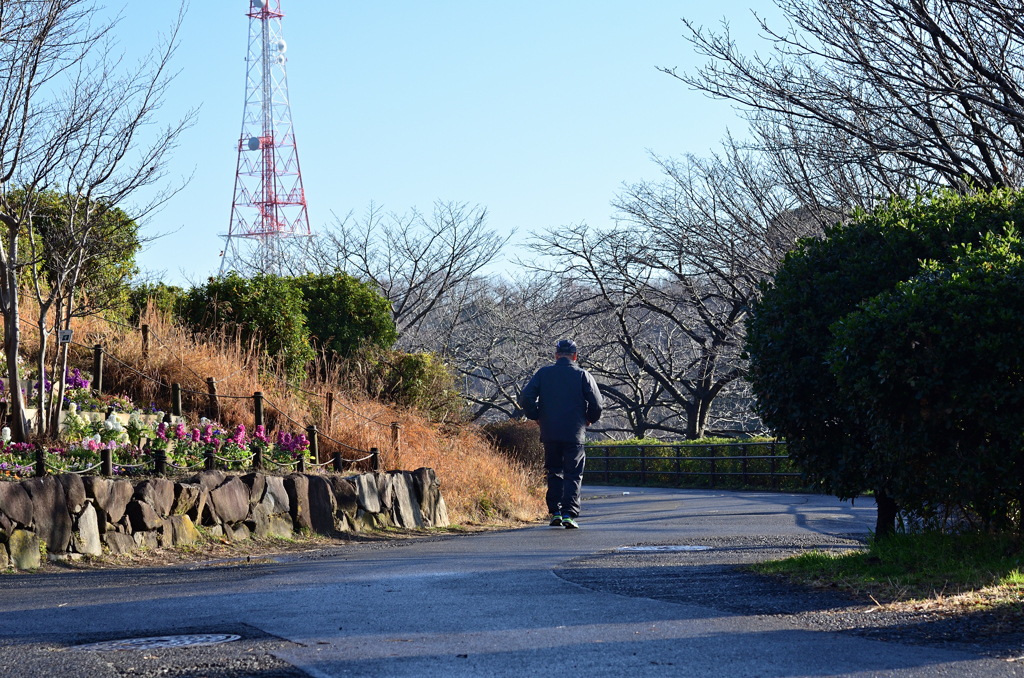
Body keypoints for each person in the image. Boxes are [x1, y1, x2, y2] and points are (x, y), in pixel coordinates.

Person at [518, 339, 603, 529]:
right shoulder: (583, 375)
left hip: (550, 431)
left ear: (556, 356)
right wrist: (589, 418)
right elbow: (597, 404)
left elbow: (526, 397)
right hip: (575, 432)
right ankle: (568, 514)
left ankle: (555, 512)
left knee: (554, 471)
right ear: (575, 356)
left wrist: (536, 414)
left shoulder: (544, 373)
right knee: (573, 474)